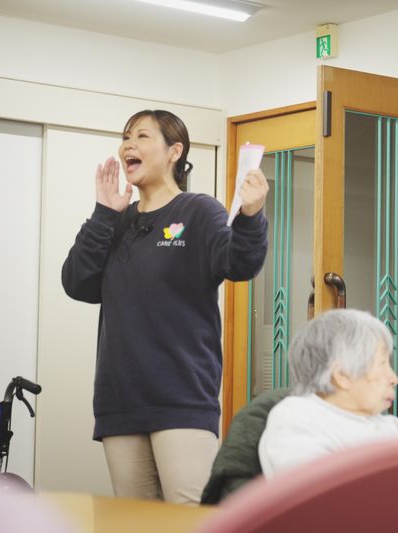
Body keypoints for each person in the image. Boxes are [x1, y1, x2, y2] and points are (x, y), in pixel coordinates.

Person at [62, 109, 268, 505]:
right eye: (126, 137)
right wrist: (104, 214)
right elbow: (77, 283)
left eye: (141, 136)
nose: (128, 145)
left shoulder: (198, 211)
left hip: (182, 398)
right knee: (133, 524)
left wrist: (251, 216)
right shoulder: (117, 222)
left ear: (175, 151)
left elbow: (240, 264)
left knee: (190, 519)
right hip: (120, 400)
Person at [258, 309, 398, 477]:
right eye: (382, 363)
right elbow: (316, 488)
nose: (394, 379)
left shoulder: (393, 427)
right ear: (342, 374)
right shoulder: (297, 418)